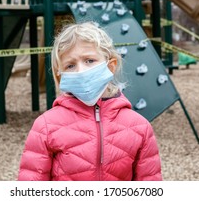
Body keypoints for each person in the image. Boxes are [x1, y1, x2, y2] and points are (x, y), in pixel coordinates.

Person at [18, 22, 162, 181]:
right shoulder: (45, 126)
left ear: (111, 66)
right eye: (70, 65)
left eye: (89, 60)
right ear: (61, 76)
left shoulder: (140, 127)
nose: (81, 71)